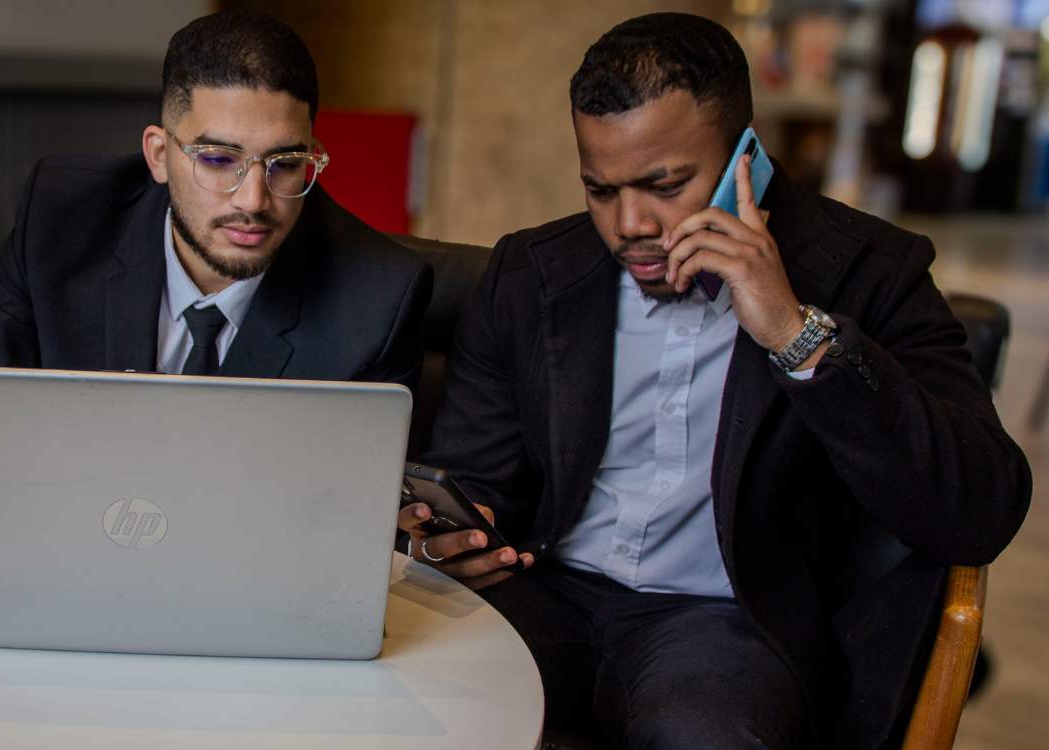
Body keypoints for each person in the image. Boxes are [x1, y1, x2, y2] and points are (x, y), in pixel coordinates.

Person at [399, 13, 1030, 749]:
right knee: (397, 699)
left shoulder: (872, 272)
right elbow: (480, 472)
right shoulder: (530, 273)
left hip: (724, 627)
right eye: (599, 189)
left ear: (747, 155)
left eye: (664, 183)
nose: (629, 222)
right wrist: (456, 524)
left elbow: (980, 510)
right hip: (548, 594)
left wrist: (795, 336)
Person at [0, 11, 431, 604]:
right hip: (67, 573)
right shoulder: (62, 217)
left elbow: (353, 524)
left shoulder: (378, 297)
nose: (254, 200)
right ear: (159, 154)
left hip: (246, 595)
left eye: (285, 164)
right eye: (218, 159)